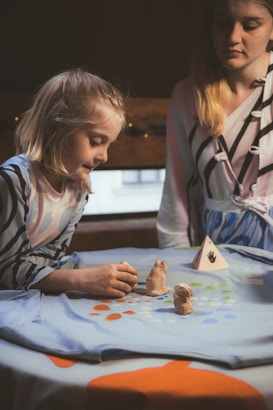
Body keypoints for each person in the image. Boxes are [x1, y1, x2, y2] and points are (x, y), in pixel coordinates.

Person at [0, 68, 138, 297]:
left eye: (108, 145)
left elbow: (50, 260)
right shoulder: (14, 180)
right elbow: (6, 272)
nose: (104, 156)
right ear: (57, 128)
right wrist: (81, 279)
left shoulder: (78, 190)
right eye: (95, 141)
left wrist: (36, 271)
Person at [157, 0, 273, 251]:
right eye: (222, 23)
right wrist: (178, 263)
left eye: (250, 25)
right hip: (215, 252)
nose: (233, 37)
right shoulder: (188, 95)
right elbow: (177, 193)